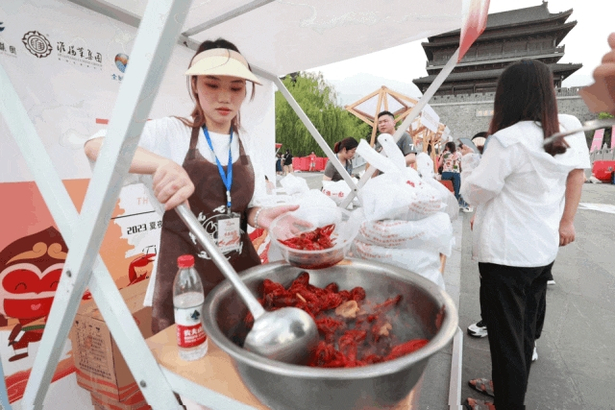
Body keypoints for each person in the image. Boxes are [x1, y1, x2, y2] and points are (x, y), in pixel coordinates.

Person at [84, 38, 297, 337]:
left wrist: (262, 217)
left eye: (236, 87)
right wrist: (161, 164)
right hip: (185, 278)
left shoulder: (247, 141)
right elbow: (96, 145)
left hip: (239, 272)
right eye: (212, 84)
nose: (225, 97)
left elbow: (251, 207)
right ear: (194, 84)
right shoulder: (171, 132)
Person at [460, 60, 589, 410]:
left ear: (509, 96)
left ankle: (508, 402)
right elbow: (576, 174)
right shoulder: (566, 131)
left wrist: (469, 166)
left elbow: (476, 193)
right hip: (540, 251)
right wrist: (568, 220)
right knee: (523, 336)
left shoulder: (507, 140)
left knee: (507, 340)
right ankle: (506, 390)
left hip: (505, 254)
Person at [438, 141, 471, 212]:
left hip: (446, 173)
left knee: (445, 189)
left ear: (448, 147)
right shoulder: (459, 154)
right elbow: (461, 165)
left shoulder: (445, 153)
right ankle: (454, 207)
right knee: (456, 190)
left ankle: (445, 206)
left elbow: (439, 164)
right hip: (456, 173)